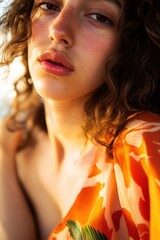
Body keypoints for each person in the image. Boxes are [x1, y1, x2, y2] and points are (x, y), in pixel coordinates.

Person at [0, 0, 160, 239]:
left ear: (132, 43)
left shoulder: (144, 148)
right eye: (48, 5)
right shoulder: (14, 146)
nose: (58, 30)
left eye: (99, 17)